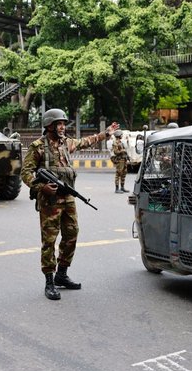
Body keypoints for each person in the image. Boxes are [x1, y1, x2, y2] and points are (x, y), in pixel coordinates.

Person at [21, 109, 119, 300]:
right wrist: (41, 187)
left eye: (64, 124)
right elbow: (26, 172)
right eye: (59, 124)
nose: (63, 127)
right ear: (49, 125)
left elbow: (85, 142)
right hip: (50, 201)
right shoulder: (38, 147)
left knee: (72, 234)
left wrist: (106, 133)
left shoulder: (66, 143)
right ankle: (49, 281)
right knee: (49, 240)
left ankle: (62, 274)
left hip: (67, 198)